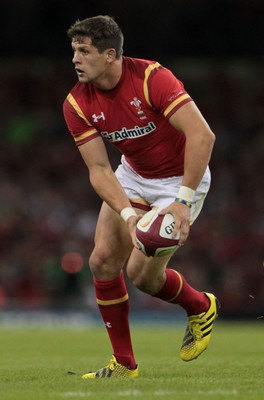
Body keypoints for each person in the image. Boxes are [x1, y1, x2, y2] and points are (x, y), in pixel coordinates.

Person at [63, 15, 219, 379]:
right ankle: (124, 365)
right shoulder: (76, 103)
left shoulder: (151, 79)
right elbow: (100, 170)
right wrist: (128, 215)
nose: (75, 59)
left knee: (142, 277)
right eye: (74, 50)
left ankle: (200, 305)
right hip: (133, 175)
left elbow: (203, 136)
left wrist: (182, 201)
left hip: (180, 180)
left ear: (110, 55)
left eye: (84, 51)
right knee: (101, 261)